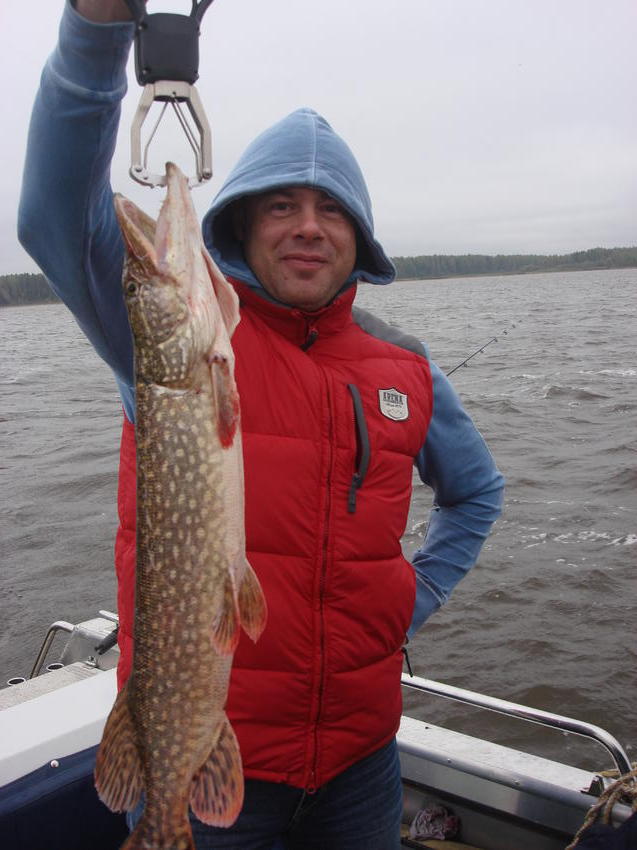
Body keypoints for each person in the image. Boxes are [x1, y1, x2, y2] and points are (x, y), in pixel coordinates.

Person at [18, 2, 504, 848]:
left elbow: (476, 494)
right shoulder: (165, 354)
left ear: (359, 236)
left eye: (331, 209)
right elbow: (53, 214)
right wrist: (96, 31)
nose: (308, 226)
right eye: (280, 206)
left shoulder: (405, 367)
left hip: (363, 765)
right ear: (241, 223)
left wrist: (409, 600)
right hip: (203, 749)